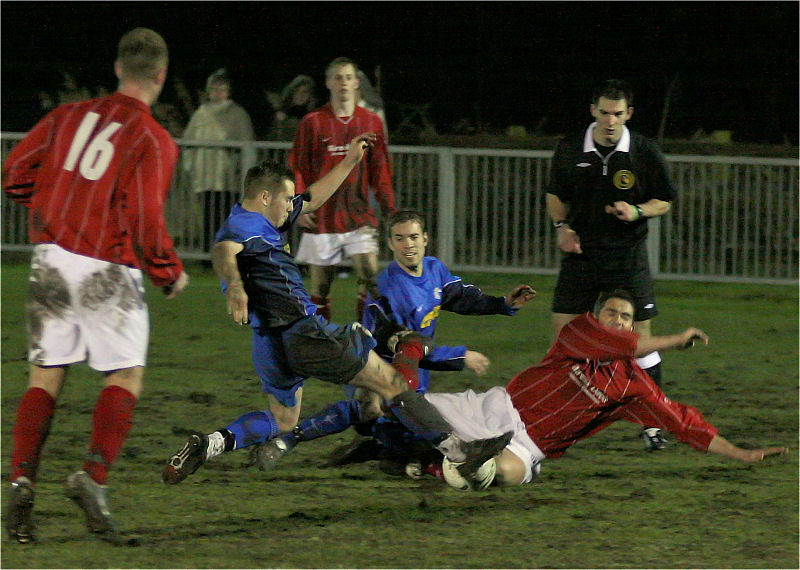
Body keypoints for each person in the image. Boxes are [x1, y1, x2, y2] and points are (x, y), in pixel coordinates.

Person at [162, 142, 511, 487]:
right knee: (390, 383)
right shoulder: (244, 226)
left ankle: (207, 445)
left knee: (283, 420)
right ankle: (460, 451)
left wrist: (349, 162)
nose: (292, 206)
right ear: (265, 197)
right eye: (286, 198)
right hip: (304, 333)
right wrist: (235, 287)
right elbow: (224, 251)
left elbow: (312, 198)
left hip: (269, 344)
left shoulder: (265, 221)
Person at [2, 27, 189, 545]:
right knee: (125, 375)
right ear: (161, 76)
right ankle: (92, 475)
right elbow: (147, 218)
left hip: (51, 260)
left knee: (45, 377)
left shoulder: (67, 116)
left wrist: (55, 203)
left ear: (116, 69)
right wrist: (168, 272)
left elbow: (15, 173)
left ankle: (21, 483)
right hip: (107, 266)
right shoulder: (154, 138)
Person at [250, 209, 536, 471]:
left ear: (425, 239)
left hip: (413, 375)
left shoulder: (434, 270)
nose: (407, 244)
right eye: (400, 239)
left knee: (415, 440)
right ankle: (288, 440)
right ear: (390, 244)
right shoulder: (388, 289)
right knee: (370, 408)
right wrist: (461, 357)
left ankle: (379, 448)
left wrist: (502, 303)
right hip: (374, 367)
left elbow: (462, 297)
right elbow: (407, 348)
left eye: (413, 237)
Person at [420, 289, 789, 489]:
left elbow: (682, 423)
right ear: (596, 318)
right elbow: (619, 344)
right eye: (611, 312)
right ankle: (431, 454)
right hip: (498, 405)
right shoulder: (578, 332)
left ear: (633, 327)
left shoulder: (634, 387)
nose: (617, 319)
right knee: (404, 408)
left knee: (501, 473)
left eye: (626, 316)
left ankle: (438, 465)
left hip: (527, 444)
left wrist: (740, 453)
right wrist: (676, 339)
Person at [546, 79, 676, 451]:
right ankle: (557, 419)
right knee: (563, 339)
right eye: (604, 112)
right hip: (581, 255)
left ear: (628, 114)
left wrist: (636, 210)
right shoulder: (571, 148)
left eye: (617, 114)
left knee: (640, 341)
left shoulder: (644, 151)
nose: (609, 120)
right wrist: (562, 228)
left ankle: (652, 425)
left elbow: (664, 200)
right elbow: (556, 194)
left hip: (627, 257)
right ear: (593, 111)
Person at [290, 57, 394, 323]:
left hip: (359, 213)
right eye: (337, 77)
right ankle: (322, 341)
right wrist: (300, 206)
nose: (343, 83)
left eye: (348, 77)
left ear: (357, 83)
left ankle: (365, 338)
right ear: (328, 83)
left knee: (371, 277)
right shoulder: (313, 122)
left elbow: (380, 170)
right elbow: (298, 167)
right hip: (322, 215)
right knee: (322, 287)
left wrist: (390, 210)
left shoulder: (371, 122)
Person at [183, 68, 255, 252]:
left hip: (227, 177)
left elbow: (247, 146)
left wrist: (246, 173)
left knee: (226, 216)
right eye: (214, 88)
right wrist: (190, 165)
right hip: (204, 176)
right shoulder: (200, 113)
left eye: (221, 88)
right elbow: (188, 142)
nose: (217, 92)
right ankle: (209, 255)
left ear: (228, 91)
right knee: (207, 217)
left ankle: (227, 254)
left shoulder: (238, 114)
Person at [267, 74, 316, 141]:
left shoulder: (314, 115)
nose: (300, 95)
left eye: (305, 92)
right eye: (297, 91)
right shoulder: (282, 113)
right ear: (292, 93)